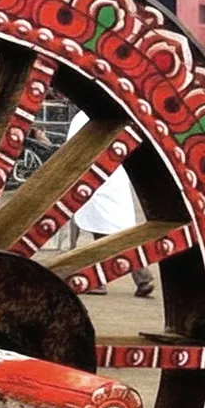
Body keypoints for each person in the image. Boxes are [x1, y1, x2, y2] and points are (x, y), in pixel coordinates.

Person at [68, 110, 155, 298]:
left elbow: (71, 152)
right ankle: (142, 277)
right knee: (118, 232)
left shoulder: (84, 118)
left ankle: (99, 280)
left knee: (103, 234)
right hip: (113, 179)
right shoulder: (114, 115)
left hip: (95, 181)